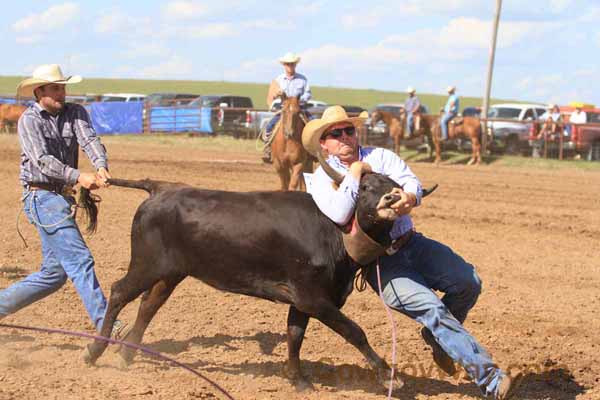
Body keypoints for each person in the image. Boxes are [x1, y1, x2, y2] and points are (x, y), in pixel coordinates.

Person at [302, 105, 522, 400]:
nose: (344, 136)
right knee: (433, 309)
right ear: (323, 143)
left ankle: (438, 339)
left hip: (412, 243)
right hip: (381, 264)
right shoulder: (319, 178)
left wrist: (408, 197)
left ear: (357, 133)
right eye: (335, 133)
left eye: (348, 130)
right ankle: (491, 380)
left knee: (469, 282)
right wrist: (355, 173)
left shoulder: (381, 157)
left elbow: (411, 183)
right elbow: (341, 213)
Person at [0, 64, 123, 337]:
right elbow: (42, 161)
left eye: (63, 87)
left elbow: (89, 140)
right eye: (55, 88)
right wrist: (79, 176)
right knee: (80, 260)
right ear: (39, 91)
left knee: (53, 275)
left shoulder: (76, 112)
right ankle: (106, 326)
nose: (61, 93)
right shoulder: (29, 120)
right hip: (41, 196)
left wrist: (100, 165)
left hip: (59, 199)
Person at [261, 52, 312, 163]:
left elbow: (308, 94)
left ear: (295, 64)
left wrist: (299, 100)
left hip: (299, 108)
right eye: (287, 64)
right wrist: (276, 94)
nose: (290, 66)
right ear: (284, 65)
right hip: (284, 109)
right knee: (270, 126)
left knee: (312, 125)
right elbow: (272, 94)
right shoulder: (279, 80)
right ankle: (268, 149)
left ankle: (314, 150)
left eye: (292, 64)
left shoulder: (302, 79)